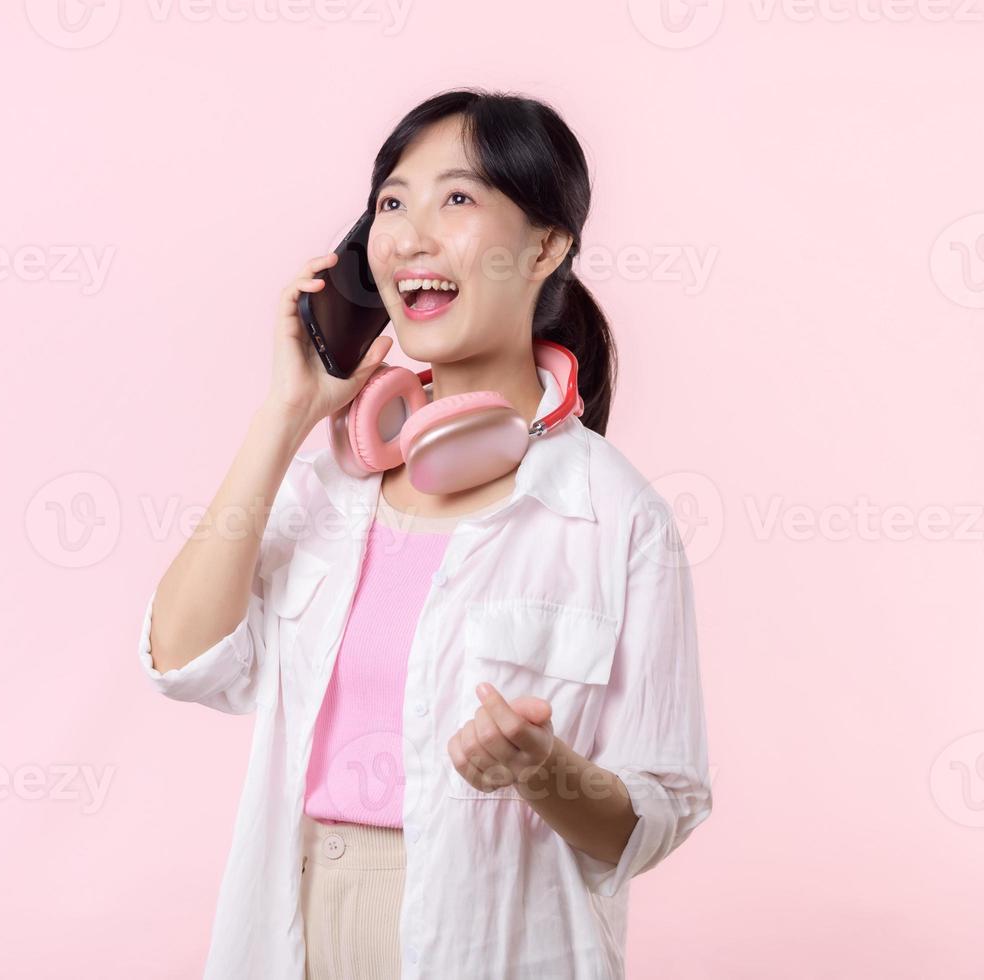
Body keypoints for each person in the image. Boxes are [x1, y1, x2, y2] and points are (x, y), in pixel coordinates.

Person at [138, 88, 713, 979]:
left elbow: (656, 814)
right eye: (391, 203)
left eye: (456, 199)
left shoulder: (616, 516)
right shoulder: (332, 476)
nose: (408, 235)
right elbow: (184, 659)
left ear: (546, 246)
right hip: (292, 916)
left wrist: (541, 769)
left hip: (496, 940)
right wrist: (289, 412)